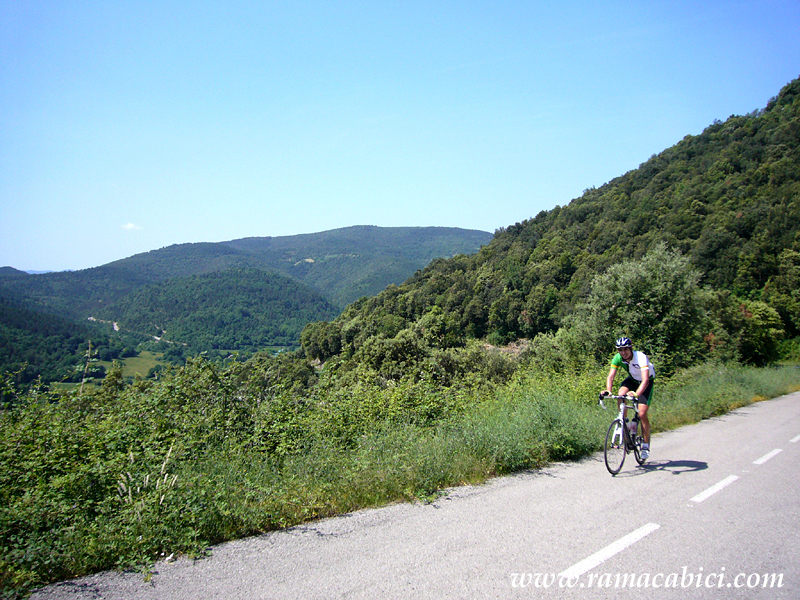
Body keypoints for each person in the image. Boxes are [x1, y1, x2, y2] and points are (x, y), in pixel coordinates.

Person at [602, 337, 655, 461]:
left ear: (630, 348)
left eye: (625, 349)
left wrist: (636, 394)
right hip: (632, 380)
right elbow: (611, 377)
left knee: (642, 414)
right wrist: (609, 391)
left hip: (646, 383)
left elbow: (645, 380)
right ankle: (623, 422)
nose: (623, 352)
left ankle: (646, 446)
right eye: (620, 350)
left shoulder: (640, 357)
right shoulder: (618, 358)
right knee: (620, 394)